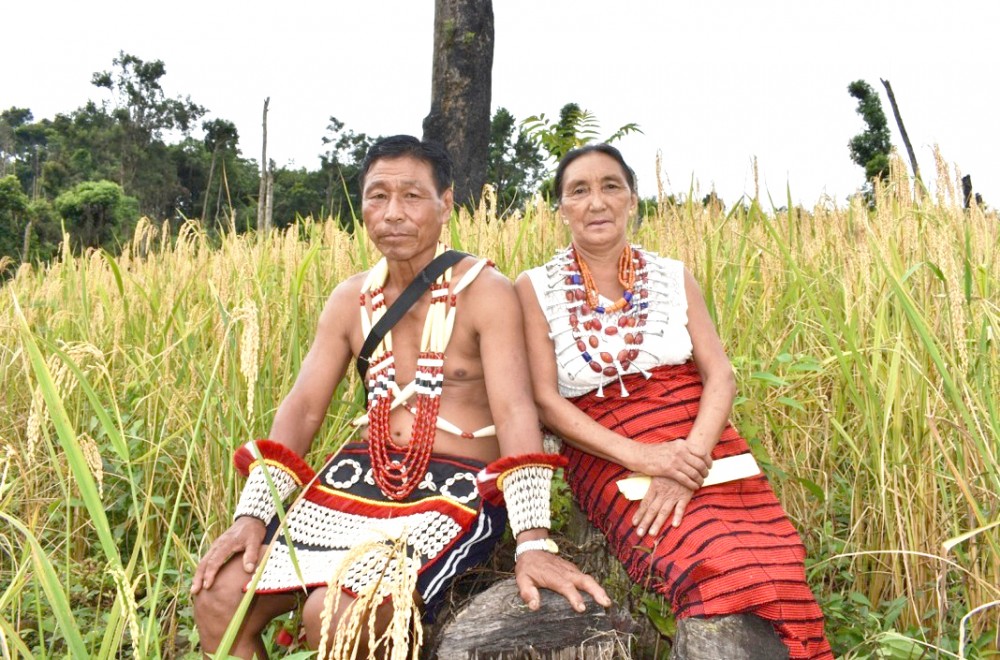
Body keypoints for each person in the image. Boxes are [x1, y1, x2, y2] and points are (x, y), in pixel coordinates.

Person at [190, 135, 610, 658]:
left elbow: (515, 410)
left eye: (412, 196)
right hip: (356, 483)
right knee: (218, 596)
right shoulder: (350, 298)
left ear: (446, 204)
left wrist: (533, 541)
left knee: (335, 614)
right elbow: (303, 408)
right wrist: (252, 515)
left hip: (454, 493)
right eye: (377, 196)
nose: (393, 213)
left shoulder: (485, 291)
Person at [515, 144, 833, 659]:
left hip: (702, 440)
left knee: (778, 564)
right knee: (707, 563)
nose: (597, 201)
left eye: (610, 186)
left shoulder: (671, 274)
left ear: (633, 200)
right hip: (609, 447)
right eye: (579, 190)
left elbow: (721, 376)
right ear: (561, 209)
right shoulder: (533, 288)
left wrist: (688, 459)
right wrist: (645, 458)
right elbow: (546, 403)